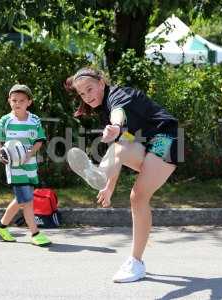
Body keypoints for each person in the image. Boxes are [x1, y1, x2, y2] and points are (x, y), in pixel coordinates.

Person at [66, 67, 178, 283]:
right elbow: (122, 146)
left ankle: (136, 263)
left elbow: (119, 113)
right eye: (82, 94)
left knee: (138, 197)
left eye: (90, 89)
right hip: (147, 143)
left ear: (101, 82)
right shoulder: (104, 106)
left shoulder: (117, 96)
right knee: (121, 146)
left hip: (167, 139)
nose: (88, 97)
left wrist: (116, 127)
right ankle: (98, 174)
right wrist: (108, 185)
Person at [0, 84, 51, 246]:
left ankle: (1, 225)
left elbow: (39, 141)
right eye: (14, 100)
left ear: (29, 102)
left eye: (21, 100)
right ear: (9, 101)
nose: (17, 103)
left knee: (22, 199)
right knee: (26, 199)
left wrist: (30, 154)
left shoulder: (34, 120)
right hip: (15, 167)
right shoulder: (6, 120)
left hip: (30, 165)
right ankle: (35, 233)